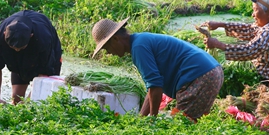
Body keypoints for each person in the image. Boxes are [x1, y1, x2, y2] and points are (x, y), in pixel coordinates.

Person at [92, 18, 223, 121]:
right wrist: (141, 119)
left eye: (106, 48)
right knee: (189, 122)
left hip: (200, 76)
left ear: (116, 39)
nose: (108, 53)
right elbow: (152, 90)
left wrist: (152, 121)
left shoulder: (139, 47)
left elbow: (155, 87)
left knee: (181, 125)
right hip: (212, 71)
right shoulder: (140, 41)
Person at [204, 0, 269, 82]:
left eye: (256, 10)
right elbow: (250, 30)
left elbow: (249, 51)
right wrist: (221, 24)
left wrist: (218, 45)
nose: (253, 14)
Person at [0, 10, 63, 104]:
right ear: (4, 34)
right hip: (19, 56)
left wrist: (28, 100)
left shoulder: (43, 39)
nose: (17, 50)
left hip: (46, 51)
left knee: (39, 100)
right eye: (13, 48)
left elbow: (44, 73)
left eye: (20, 48)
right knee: (16, 98)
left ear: (31, 36)